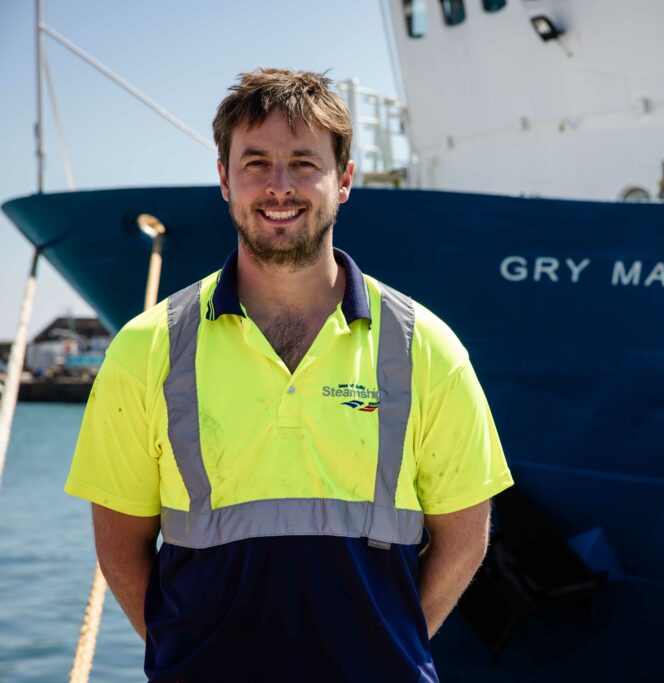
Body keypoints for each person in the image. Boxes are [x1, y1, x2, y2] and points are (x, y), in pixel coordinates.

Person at [65, 68, 514, 682]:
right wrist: (184, 658)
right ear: (224, 179)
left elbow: (464, 540)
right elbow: (120, 544)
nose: (279, 187)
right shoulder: (146, 349)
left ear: (345, 180)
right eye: (256, 163)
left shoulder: (425, 348)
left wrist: (393, 652)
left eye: (304, 163)